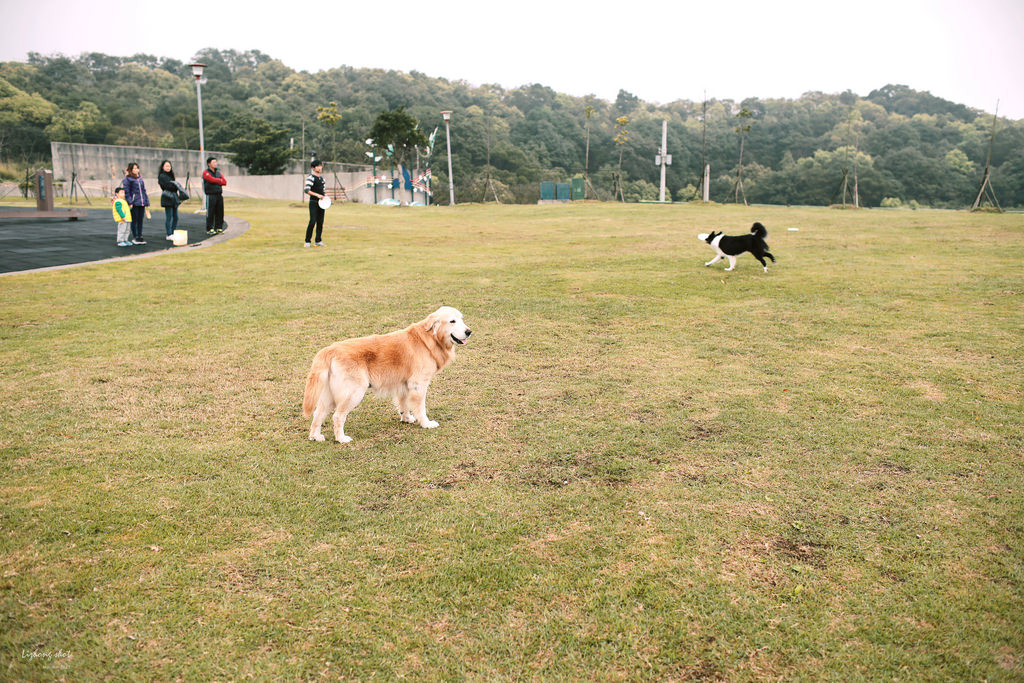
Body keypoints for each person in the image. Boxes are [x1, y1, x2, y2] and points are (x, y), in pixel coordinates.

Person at [123, 162, 150, 245]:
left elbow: (144, 191)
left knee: (140, 220)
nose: (136, 170)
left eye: (137, 168)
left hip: (142, 202)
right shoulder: (127, 179)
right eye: (134, 168)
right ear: (130, 170)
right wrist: (130, 202)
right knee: (134, 220)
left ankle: (140, 236)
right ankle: (135, 237)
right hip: (134, 203)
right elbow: (127, 192)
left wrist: (146, 201)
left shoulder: (140, 179)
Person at [303, 159, 327, 247]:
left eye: (320, 166)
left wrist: (325, 196)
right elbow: (307, 190)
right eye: (317, 166)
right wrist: (317, 195)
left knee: (320, 222)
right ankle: (307, 241)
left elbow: (323, 190)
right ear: (313, 168)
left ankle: (318, 240)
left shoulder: (322, 179)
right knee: (312, 221)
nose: (319, 168)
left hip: (322, 203)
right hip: (313, 202)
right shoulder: (311, 178)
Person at [202, 156, 227, 235]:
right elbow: (210, 179)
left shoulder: (218, 172)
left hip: (219, 194)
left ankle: (219, 227)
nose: (215, 164)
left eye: (216, 162)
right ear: (209, 164)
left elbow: (224, 182)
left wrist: (217, 181)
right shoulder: (206, 172)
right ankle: (210, 228)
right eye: (213, 162)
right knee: (211, 212)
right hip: (211, 195)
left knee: (220, 212)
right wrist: (219, 181)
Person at [157, 160, 180, 241]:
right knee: (169, 217)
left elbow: (173, 186)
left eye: (169, 166)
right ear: (163, 167)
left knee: (176, 217)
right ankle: (169, 234)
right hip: (167, 197)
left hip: (174, 198)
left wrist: (175, 186)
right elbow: (168, 186)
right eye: (166, 166)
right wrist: (175, 186)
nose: (168, 167)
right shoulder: (162, 176)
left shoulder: (171, 175)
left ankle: (173, 232)